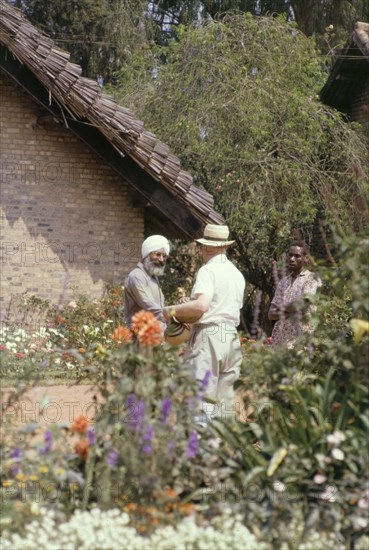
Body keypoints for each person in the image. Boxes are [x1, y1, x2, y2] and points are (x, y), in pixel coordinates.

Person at [163, 224, 245, 416]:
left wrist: (171, 310)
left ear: (208, 247)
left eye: (201, 246)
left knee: (201, 400)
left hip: (210, 336)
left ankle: (199, 444)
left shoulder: (208, 270)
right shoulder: (237, 275)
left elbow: (202, 306)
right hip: (231, 337)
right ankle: (220, 444)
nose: (200, 250)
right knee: (224, 405)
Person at [268, 240, 322, 349]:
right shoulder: (283, 282)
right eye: (290, 255)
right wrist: (291, 311)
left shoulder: (311, 279)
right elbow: (271, 314)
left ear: (306, 258)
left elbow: (301, 305)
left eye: (297, 256)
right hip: (279, 344)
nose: (292, 259)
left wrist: (280, 309)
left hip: (300, 344)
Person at [124, 235, 170, 334]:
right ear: (147, 255)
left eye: (164, 256)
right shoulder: (136, 276)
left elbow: (159, 308)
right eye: (157, 254)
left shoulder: (153, 277)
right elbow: (151, 308)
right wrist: (174, 316)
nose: (161, 259)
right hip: (140, 338)